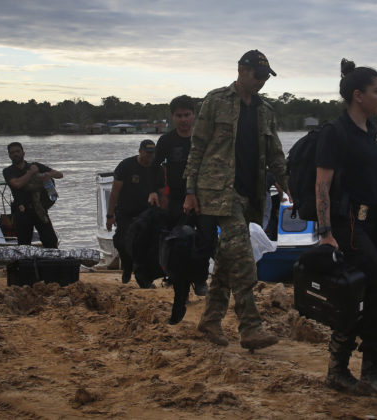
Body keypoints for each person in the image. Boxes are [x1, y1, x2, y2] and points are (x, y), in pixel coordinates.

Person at [184, 50, 290, 350]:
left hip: (249, 194)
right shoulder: (215, 101)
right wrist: (190, 192)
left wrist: (288, 183)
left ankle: (210, 320)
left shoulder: (265, 111)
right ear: (242, 70)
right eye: (257, 76)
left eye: (266, 78)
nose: (261, 82)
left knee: (228, 260)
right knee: (243, 259)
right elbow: (197, 148)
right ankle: (250, 327)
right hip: (218, 192)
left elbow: (275, 154)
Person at [315, 58, 377, 396]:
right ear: (358, 95)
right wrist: (326, 233)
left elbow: (357, 173)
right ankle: (370, 371)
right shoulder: (334, 133)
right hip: (346, 225)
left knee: (363, 293)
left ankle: (338, 370)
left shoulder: (370, 129)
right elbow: (322, 185)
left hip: (371, 220)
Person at [154, 95, 213, 297]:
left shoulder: (204, 139)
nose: (183, 120)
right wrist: (156, 192)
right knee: (178, 242)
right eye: (179, 116)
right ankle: (180, 283)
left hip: (204, 197)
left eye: (187, 115)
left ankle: (200, 279)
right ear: (172, 117)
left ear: (194, 115)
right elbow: (154, 168)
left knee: (205, 240)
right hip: (177, 199)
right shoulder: (166, 141)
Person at [106, 139, 166, 285]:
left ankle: (144, 278)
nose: (150, 156)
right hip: (126, 212)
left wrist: (165, 213)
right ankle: (127, 266)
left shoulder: (157, 169)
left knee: (146, 245)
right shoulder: (126, 166)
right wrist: (110, 215)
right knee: (121, 241)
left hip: (147, 212)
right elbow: (114, 192)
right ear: (140, 151)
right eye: (147, 153)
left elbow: (162, 192)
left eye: (153, 153)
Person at [3, 142, 63, 248]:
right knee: (24, 245)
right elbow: (17, 184)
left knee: (51, 241)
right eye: (12, 153)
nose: (15, 154)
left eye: (17, 151)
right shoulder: (8, 171)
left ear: (23, 153)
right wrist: (30, 173)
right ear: (9, 156)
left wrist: (48, 174)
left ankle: (52, 263)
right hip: (22, 212)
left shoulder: (36, 165)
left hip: (39, 210)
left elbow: (59, 174)